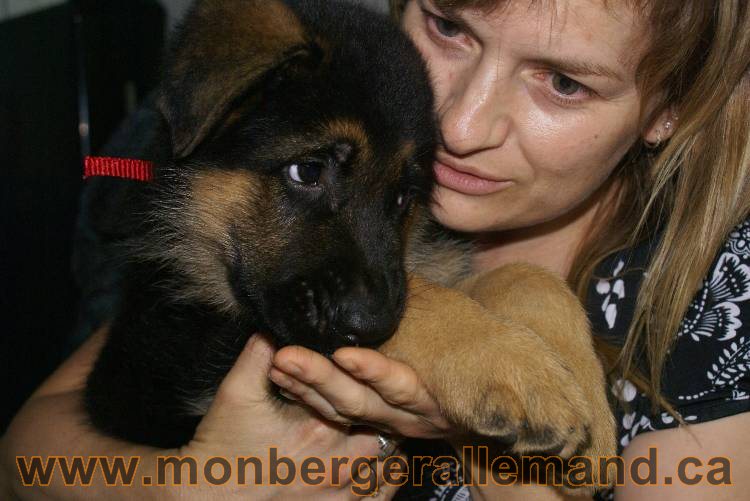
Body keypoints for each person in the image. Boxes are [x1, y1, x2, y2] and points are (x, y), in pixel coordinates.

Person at [2, 0, 749, 499]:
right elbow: (24, 455)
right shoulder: (350, 210)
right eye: (451, 25)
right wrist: (190, 486)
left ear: (668, 110)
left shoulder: (715, 301)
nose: (458, 124)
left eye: (562, 82)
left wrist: (479, 430)